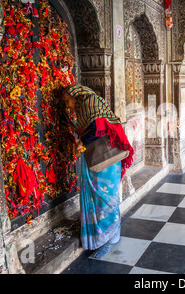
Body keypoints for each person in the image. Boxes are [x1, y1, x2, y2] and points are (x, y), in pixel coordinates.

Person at [62, 84, 134, 258]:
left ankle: (109, 239)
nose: (68, 106)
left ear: (75, 95)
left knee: (106, 199)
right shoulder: (85, 108)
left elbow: (98, 128)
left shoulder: (89, 102)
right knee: (100, 198)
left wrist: (81, 142)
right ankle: (104, 237)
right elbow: (91, 128)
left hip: (106, 163)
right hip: (99, 161)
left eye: (67, 101)